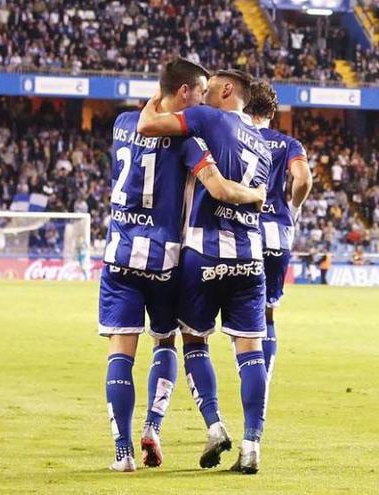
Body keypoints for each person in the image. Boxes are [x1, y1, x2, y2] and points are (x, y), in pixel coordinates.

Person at [101, 59, 266, 472]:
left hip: (119, 254)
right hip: (169, 259)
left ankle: (123, 454)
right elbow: (217, 186)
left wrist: (158, 97)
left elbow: (143, 127)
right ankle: (163, 427)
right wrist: (255, 195)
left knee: (121, 354)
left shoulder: (122, 122)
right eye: (201, 88)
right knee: (169, 341)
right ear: (188, 92)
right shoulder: (192, 140)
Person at [243, 79, 312, 390]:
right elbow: (303, 179)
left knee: (235, 316)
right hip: (277, 235)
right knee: (267, 315)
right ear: (272, 111)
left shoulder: (234, 135)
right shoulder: (288, 144)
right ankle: (262, 385)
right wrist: (292, 208)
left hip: (241, 231)